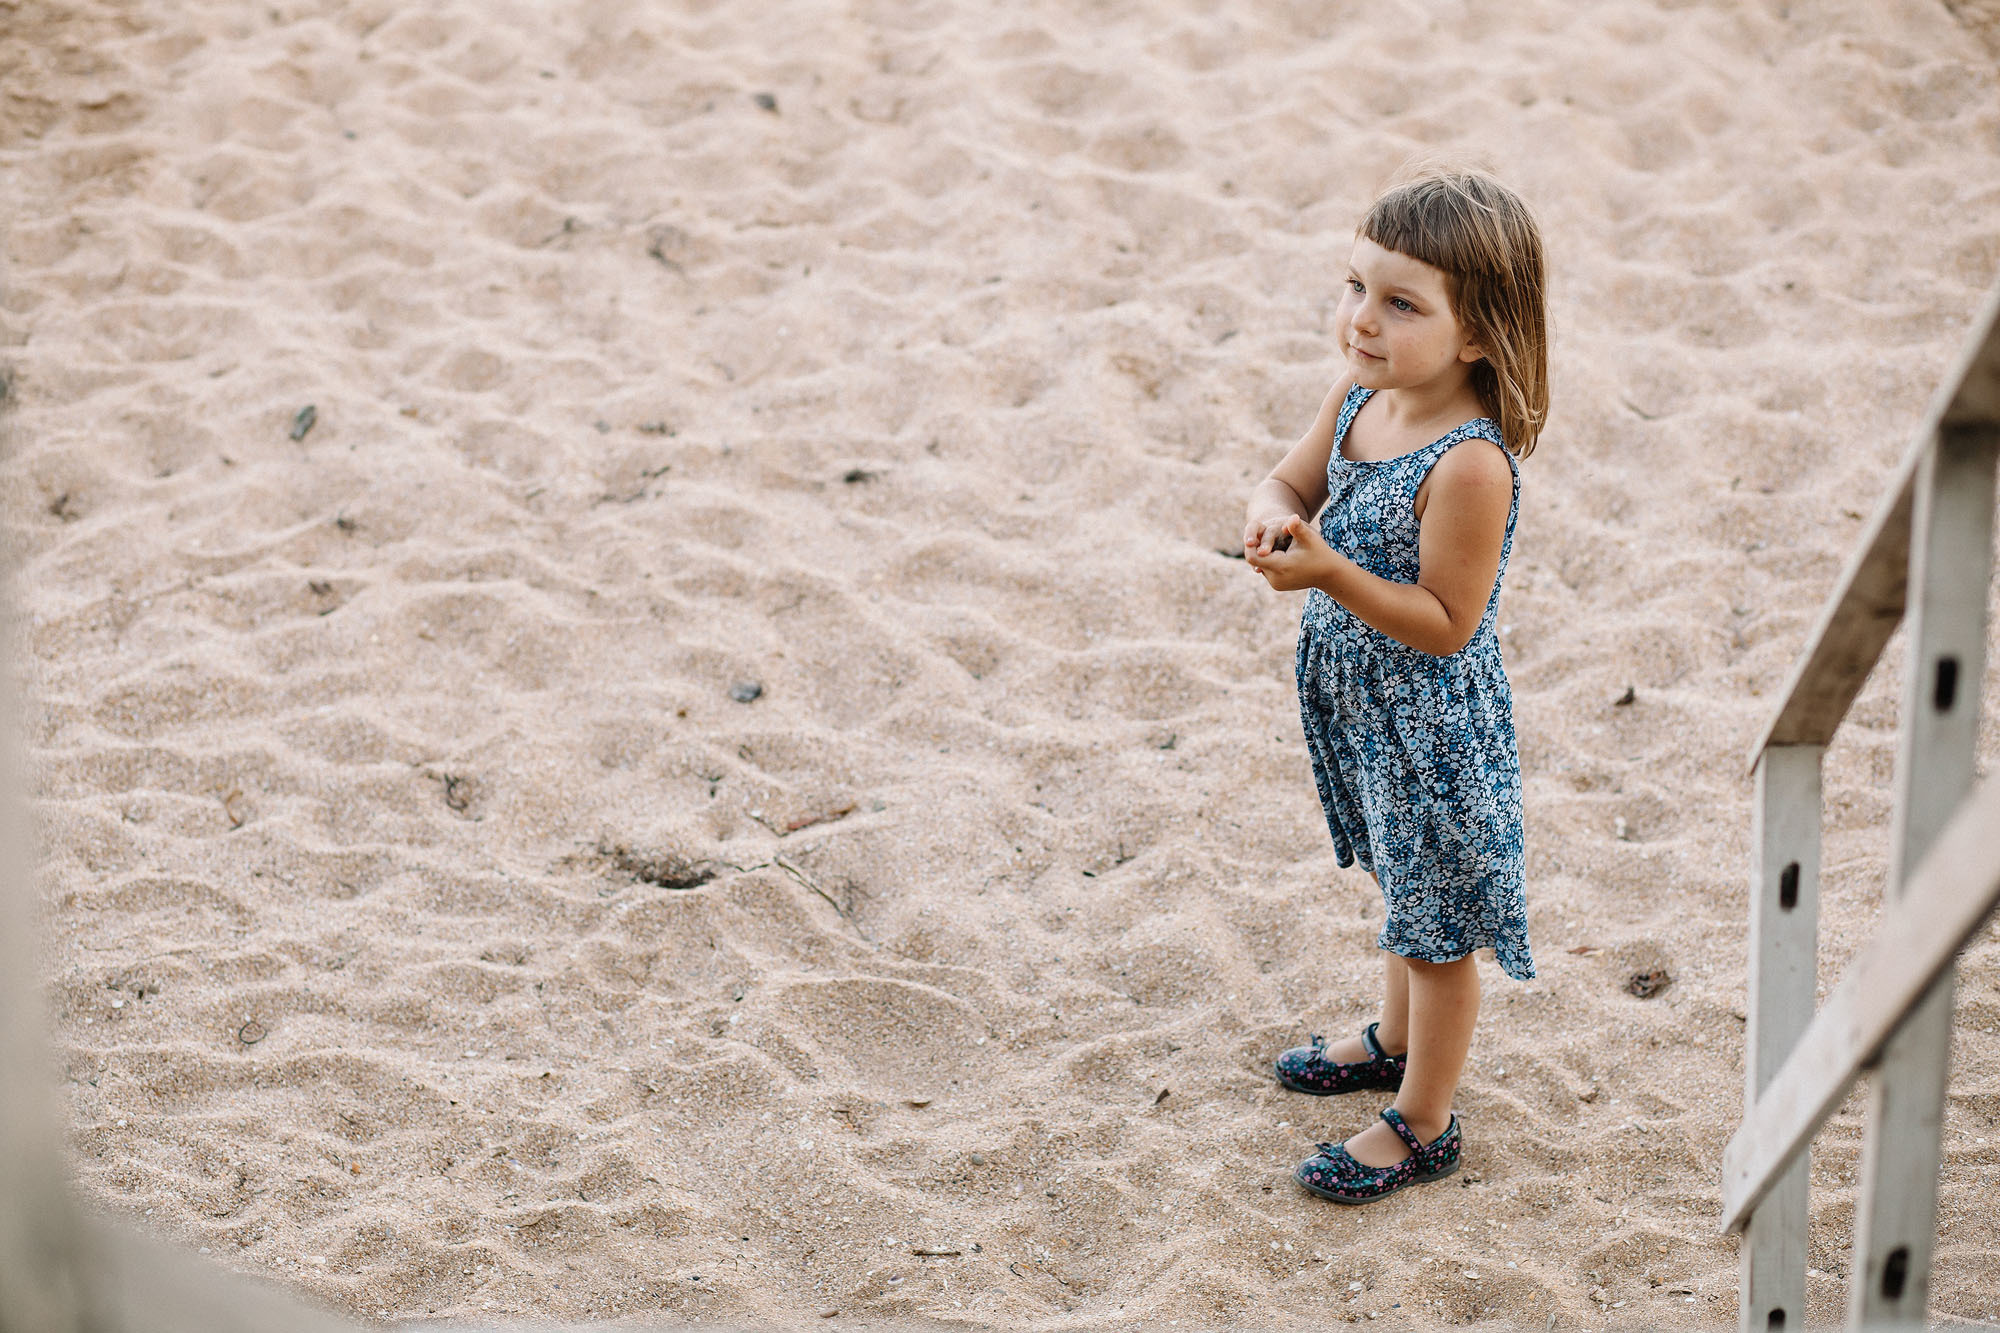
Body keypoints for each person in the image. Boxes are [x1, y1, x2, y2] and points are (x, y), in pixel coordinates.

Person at [1241, 164, 1548, 1205]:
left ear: (1478, 334)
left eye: (1402, 303)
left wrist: (1328, 570)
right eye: (1355, 287)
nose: (1362, 319)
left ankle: (1424, 1119)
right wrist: (1271, 515)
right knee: (1399, 884)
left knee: (1437, 928)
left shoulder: (1469, 465)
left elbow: (1447, 622)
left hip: (1431, 729)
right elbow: (1290, 478)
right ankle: (1394, 1037)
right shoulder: (1360, 397)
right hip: (1362, 712)